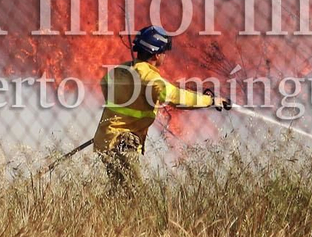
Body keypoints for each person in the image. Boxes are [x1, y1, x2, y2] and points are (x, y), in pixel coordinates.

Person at [93, 25, 230, 189]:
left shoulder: (121, 69)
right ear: (157, 54)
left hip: (107, 138)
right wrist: (211, 101)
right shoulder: (149, 77)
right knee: (133, 194)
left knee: (120, 190)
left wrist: (126, 107)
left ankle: (99, 212)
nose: (165, 55)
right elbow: (175, 97)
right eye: (164, 52)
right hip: (123, 140)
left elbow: (105, 83)